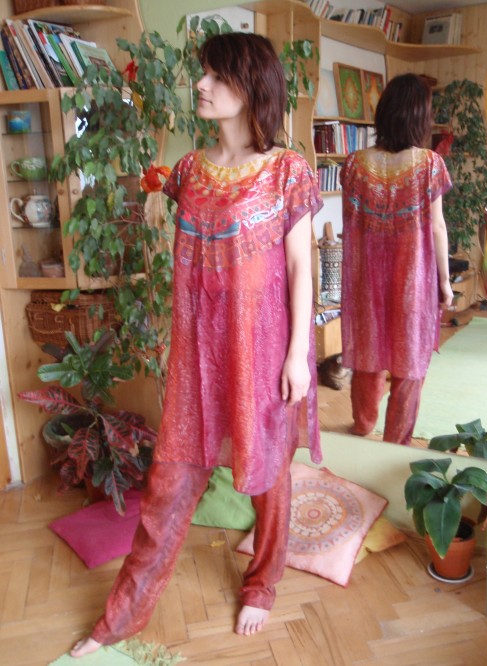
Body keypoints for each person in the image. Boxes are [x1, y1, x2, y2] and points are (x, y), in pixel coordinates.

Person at [70, 32, 323, 658]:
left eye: (215, 76)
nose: (201, 85)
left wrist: (297, 353)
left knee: (269, 476)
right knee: (166, 487)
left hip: (264, 352)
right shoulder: (187, 171)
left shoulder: (287, 171)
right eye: (202, 73)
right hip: (196, 357)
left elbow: (301, 267)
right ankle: (119, 618)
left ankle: (262, 584)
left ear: (251, 86)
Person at [340, 72, 454, 446]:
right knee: (410, 361)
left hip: (366, 278)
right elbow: (437, 227)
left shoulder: (354, 164)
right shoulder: (429, 164)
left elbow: (352, 222)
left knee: (367, 352)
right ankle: (396, 442)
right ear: (420, 117)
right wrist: (445, 282)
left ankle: (362, 423)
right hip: (412, 278)